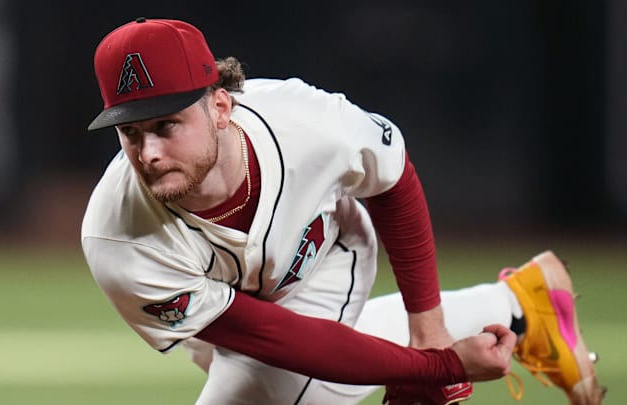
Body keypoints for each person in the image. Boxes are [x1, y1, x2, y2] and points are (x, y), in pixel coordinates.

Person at [81, 18, 605, 404]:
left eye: (166, 125)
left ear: (219, 106)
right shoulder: (117, 238)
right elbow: (273, 337)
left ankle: (516, 305)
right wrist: (438, 364)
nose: (148, 153)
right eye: (131, 132)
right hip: (224, 305)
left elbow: (394, 180)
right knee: (276, 377)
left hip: (326, 254)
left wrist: (429, 335)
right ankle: (518, 302)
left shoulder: (307, 124)